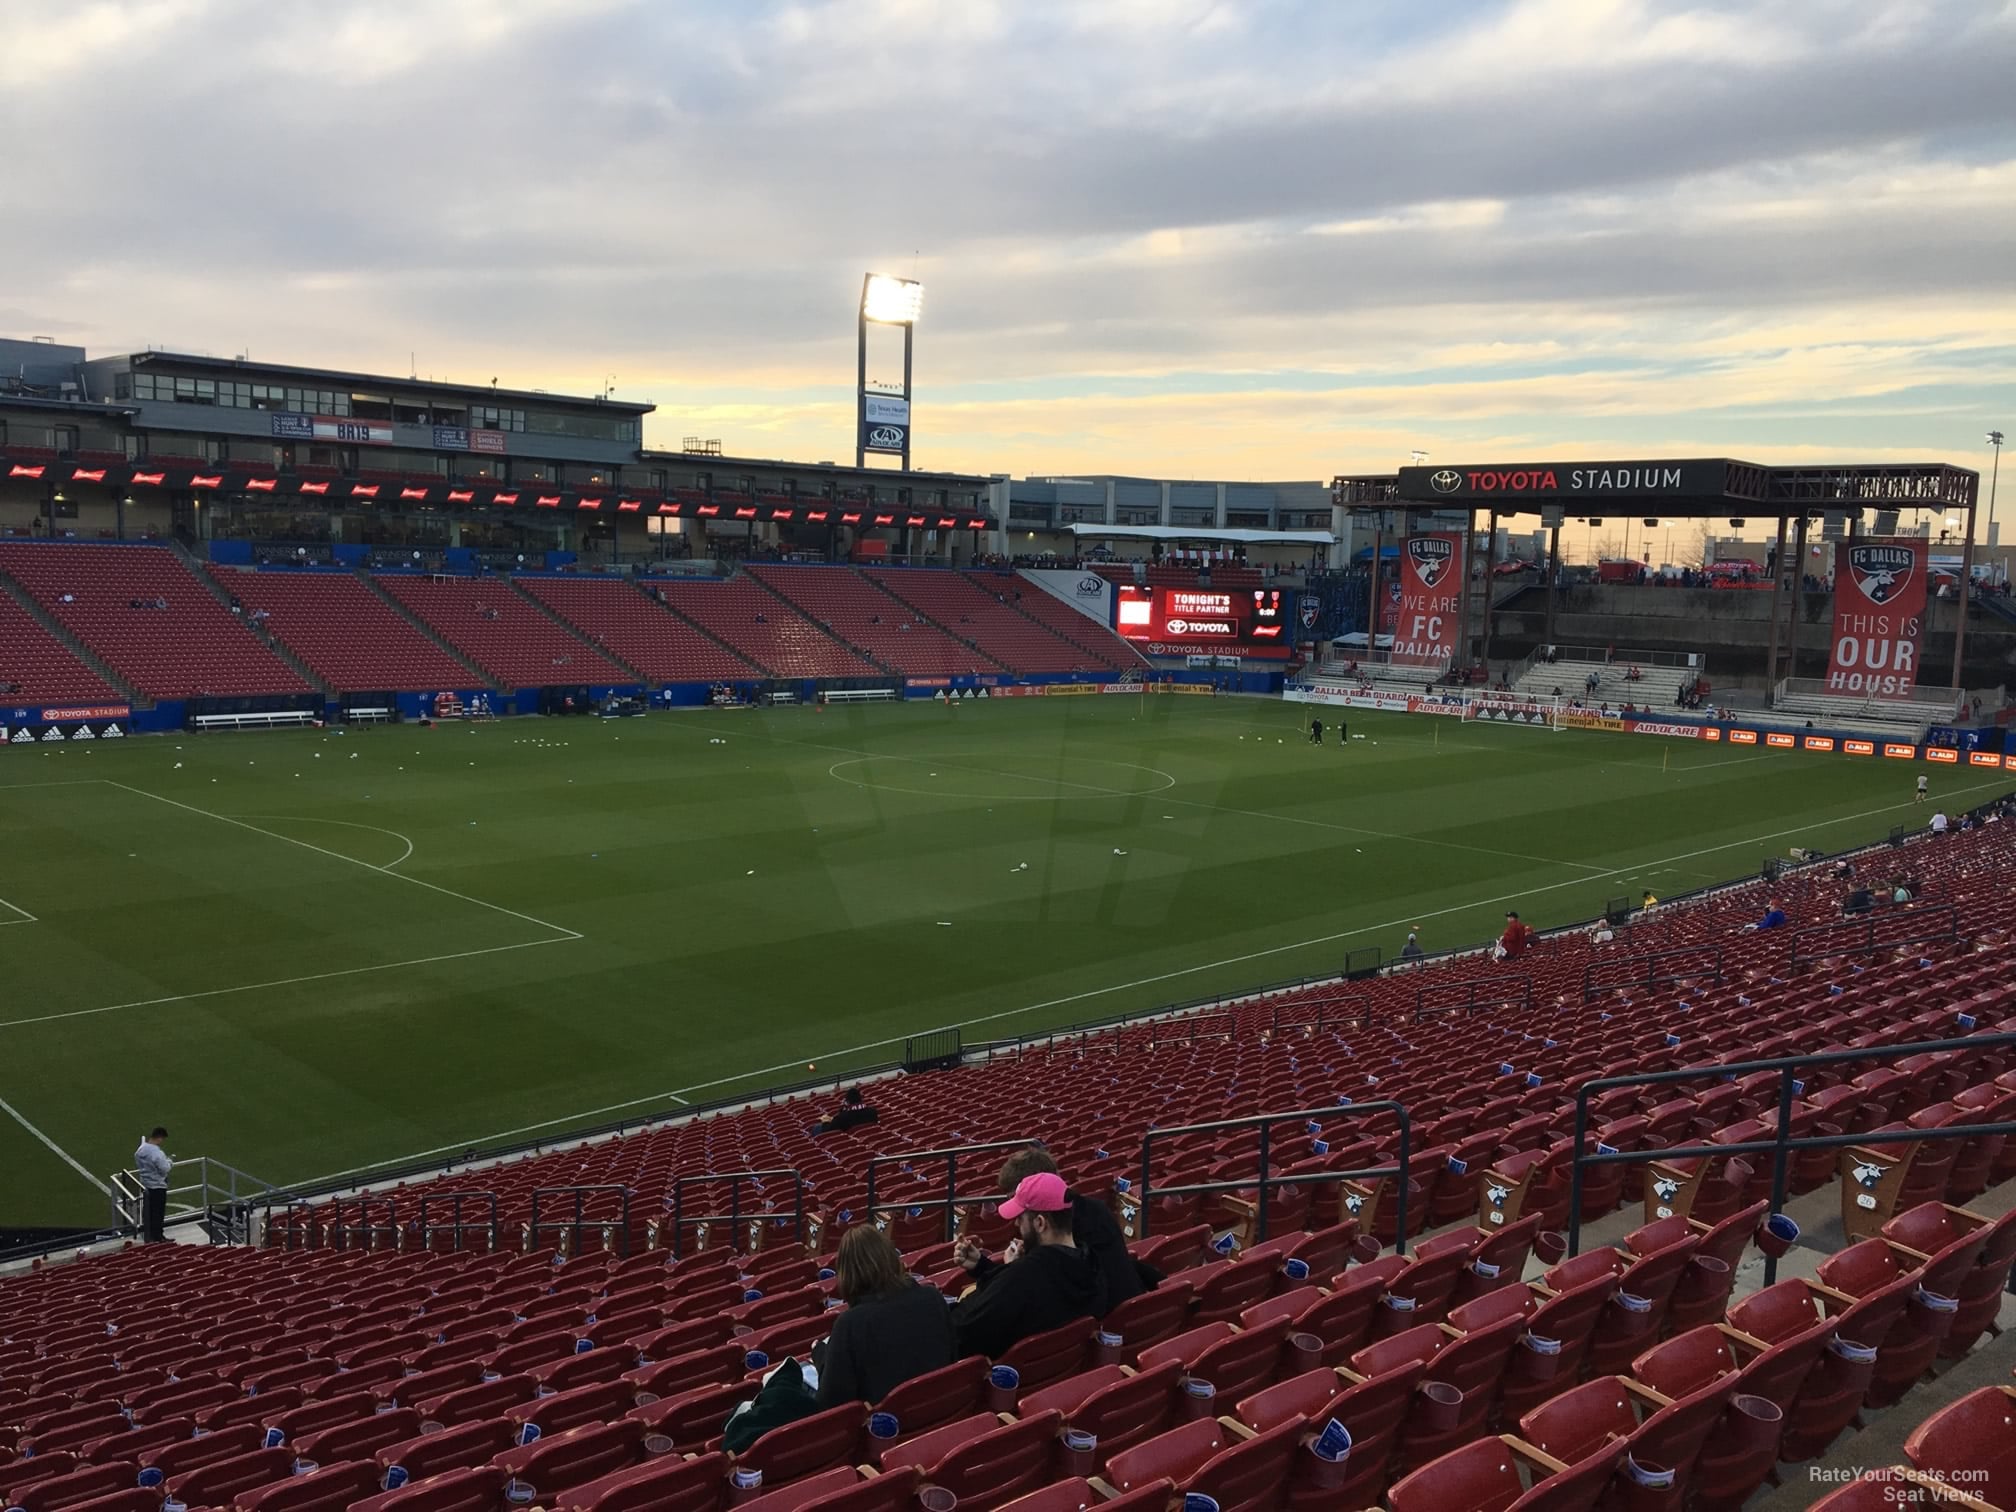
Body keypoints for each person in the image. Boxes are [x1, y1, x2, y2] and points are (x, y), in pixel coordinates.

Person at [949, 1172, 1104, 1360]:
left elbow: (961, 1332)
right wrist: (983, 1266)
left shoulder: (1022, 1277)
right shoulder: (1093, 1264)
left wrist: (1010, 1272)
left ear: (1040, 1223)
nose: (1016, 1223)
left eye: (1021, 1218)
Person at [998, 1147, 1154, 1316]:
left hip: (1109, 1320)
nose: (1016, 1217)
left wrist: (1013, 1268)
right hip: (1133, 1305)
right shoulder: (1095, 1208)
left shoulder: (1058, 1239)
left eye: (1016, 1197)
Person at [814, 1226, 955, 1408]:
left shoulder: (850, 1324)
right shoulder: (932, 1297)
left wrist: (821, 1357)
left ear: (846, 1273)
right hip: (945, 1409)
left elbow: (830, 1402)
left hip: (892, 1422)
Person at [134, 1127, 172, 1242]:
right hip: (157, 1186)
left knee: (148, 1211)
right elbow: (164, 1169)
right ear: (159, 1138)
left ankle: (149, 1234)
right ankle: (158, 1236)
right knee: (158, 1213)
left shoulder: (141, 1149)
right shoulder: (157, 1153)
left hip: (146, 1185)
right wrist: (169, 1162)